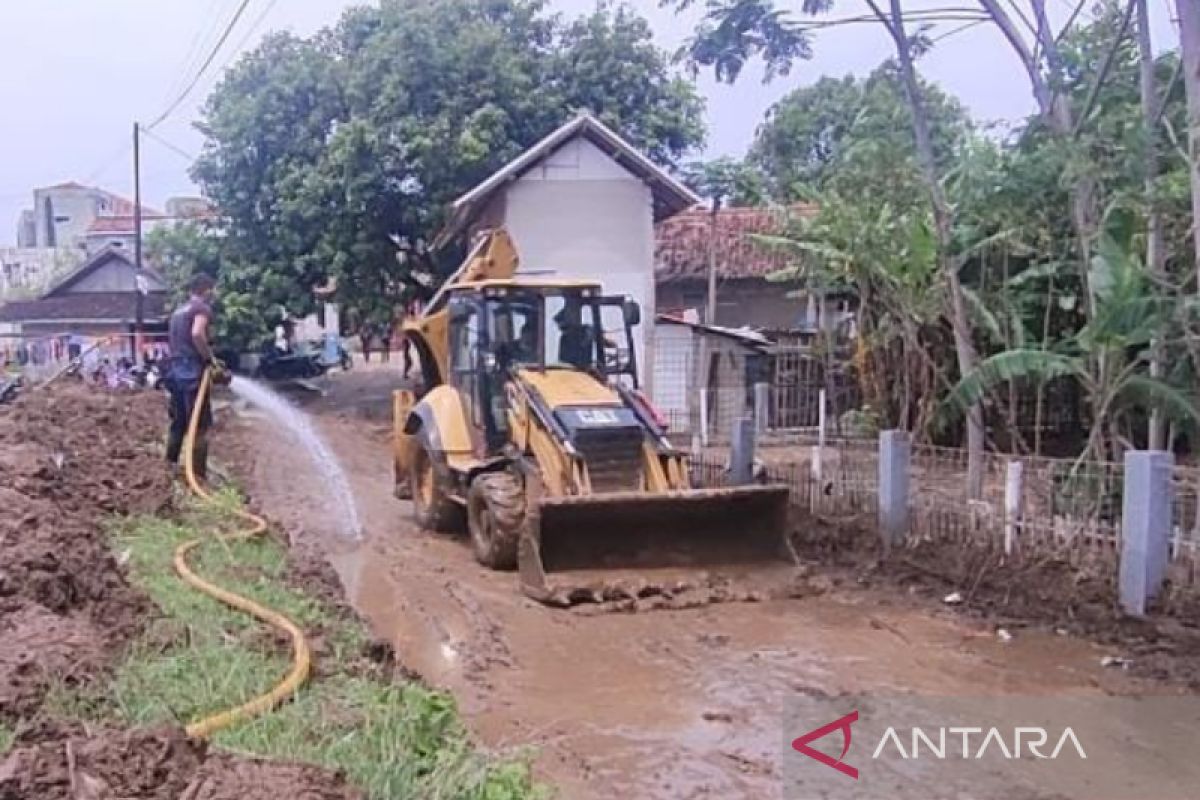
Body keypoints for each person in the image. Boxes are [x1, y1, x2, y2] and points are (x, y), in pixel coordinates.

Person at [164, 273, 217, 481]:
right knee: (200, 426)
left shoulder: (178, 312)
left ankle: (169, 466)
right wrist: (209, 358)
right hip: (193, 372)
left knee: (179, 422)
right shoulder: (201, 309)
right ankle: (198, 477)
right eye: (213, 289)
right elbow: (197, 334)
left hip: (175, 371)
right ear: (206, 289)